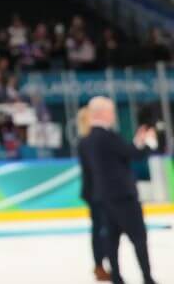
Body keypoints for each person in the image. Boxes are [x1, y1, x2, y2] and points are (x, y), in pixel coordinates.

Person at [77, 96, 159, 284]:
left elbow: (121, 154)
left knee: (110, 239)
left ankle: (114, 275)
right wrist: (148, 143)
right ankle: (147, 278)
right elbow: (132, 154)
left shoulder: (87, 140)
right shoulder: (107, 136)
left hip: (101, 197)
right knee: (138, 237)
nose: (114, 115)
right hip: (122, 196)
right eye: (111, 111)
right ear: (103, 113)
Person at [76, 106, 111, 281]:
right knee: (101, 230)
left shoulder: (87, 141)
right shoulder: (88, 142)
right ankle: (99, 265)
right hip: (96, 192)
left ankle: (101, 264)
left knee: (101, 229)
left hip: (95, 191)